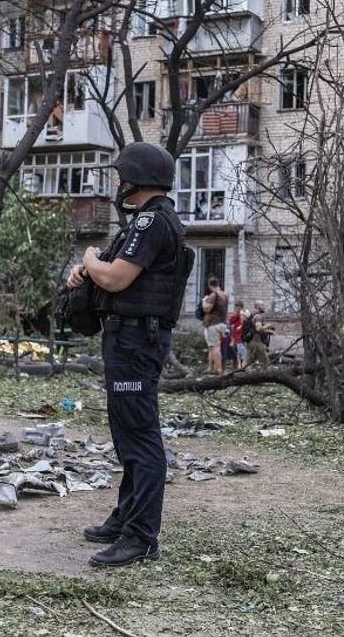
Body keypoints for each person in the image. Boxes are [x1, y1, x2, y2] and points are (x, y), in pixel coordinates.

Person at [65, 141, 188, 568]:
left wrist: (90, 258)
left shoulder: (153, 220)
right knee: (126, 433)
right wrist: (88, 271)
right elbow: (110, 276)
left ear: (138, 178)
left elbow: (116, 278)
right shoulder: (144, 221)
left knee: (140, 438)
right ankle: (126, 517)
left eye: (123, 175)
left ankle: (141, 537)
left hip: (138, 341)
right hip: (128, 338)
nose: (119, 182)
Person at [200, 278, 228, 375]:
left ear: (210, 285)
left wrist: (204, 301)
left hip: (213, 324)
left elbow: (206, 309)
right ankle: (211, 368)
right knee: (212, 346)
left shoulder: (213, 295)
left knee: (215, 347)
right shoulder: (225, 295)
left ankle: (219, 370)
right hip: (222, 323)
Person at [246, 300, 273, 367]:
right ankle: (270, 375)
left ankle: (240, 373)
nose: (264, 307)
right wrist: (268, 325)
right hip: (257, 342)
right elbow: (258, 329)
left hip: (251, 341)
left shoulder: (252, 315)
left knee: (248, 361)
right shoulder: (258, 316)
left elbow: (255, 329)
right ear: (258, 306)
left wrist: (269, 332)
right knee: (266, 362)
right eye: (262, 305)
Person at [228, 301, 248, 370]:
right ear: (235, 307)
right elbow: (230, 324)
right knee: (235, 353)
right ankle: (235, 367)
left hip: (242, 337)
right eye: (237, 307)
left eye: (240, 307)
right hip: (235, 336)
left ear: (242, 307)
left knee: (241, 353)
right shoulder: (234, 316)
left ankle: (241, 367)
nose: (238, 309)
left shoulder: (244, 315)